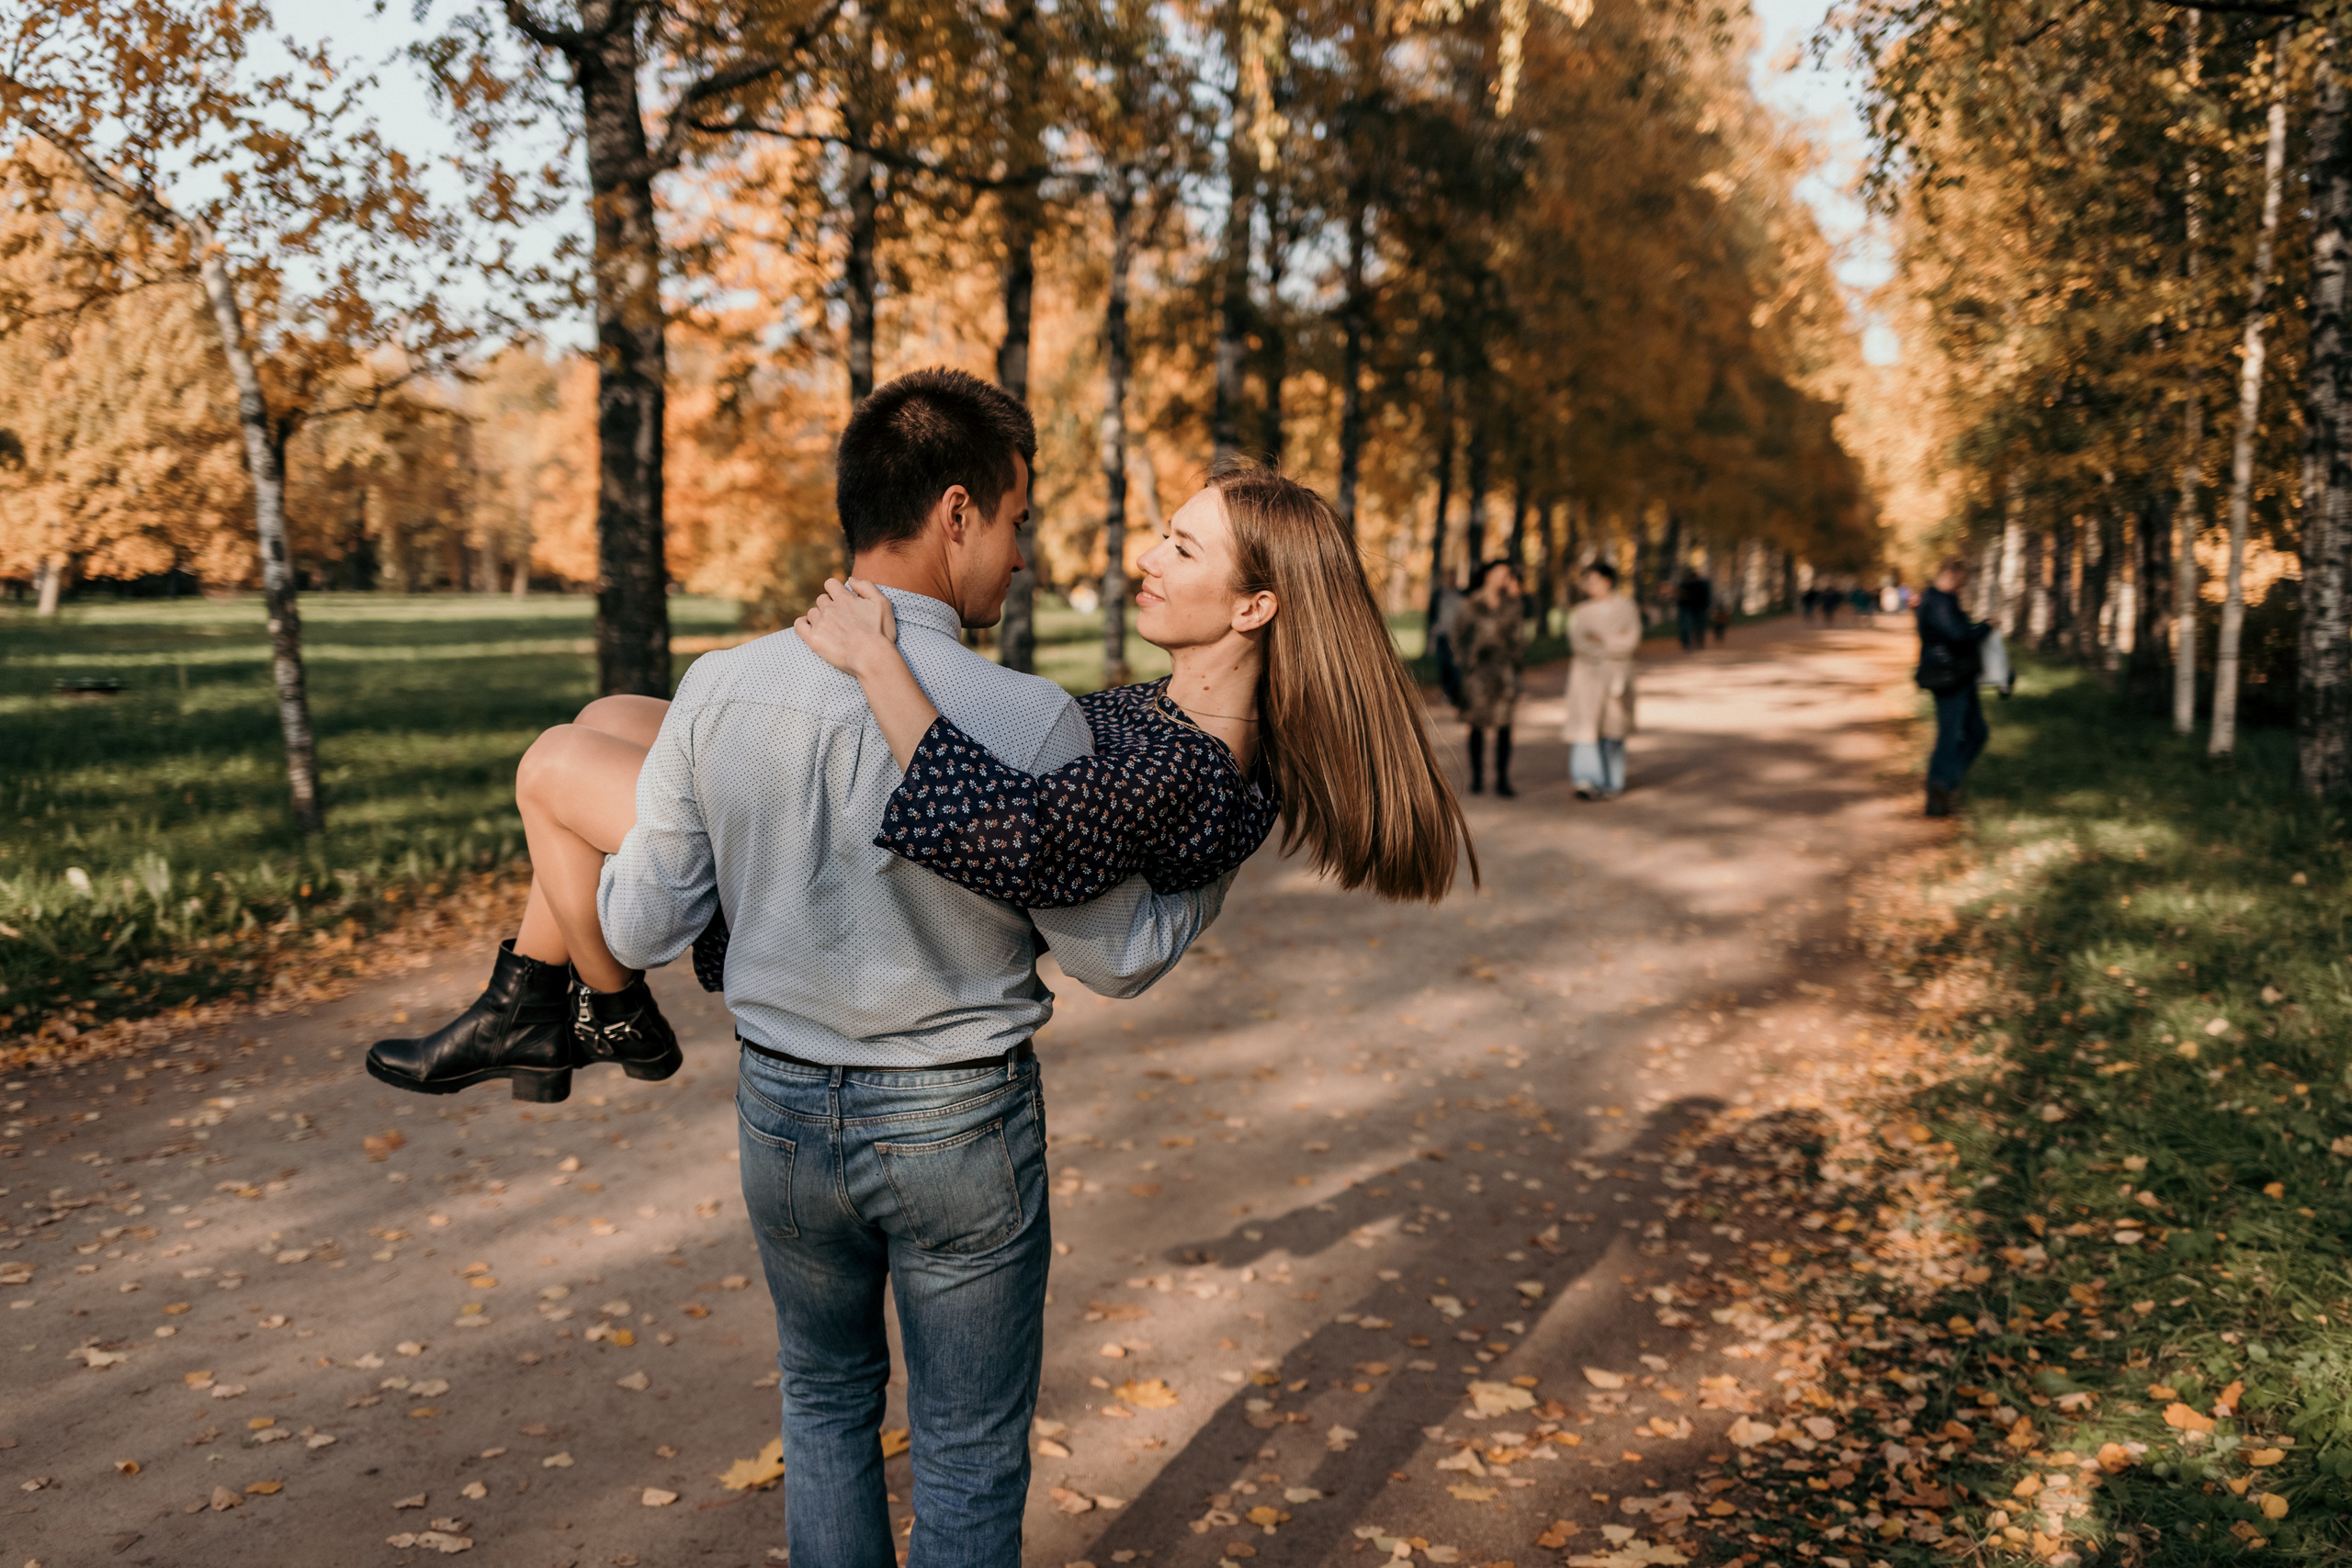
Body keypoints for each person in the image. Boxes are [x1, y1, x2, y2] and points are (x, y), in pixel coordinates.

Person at [1916, 556, 1993, 818]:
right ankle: (1940, 787)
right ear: (1952, 574)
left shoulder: (1941, 600)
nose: (1963, 585)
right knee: (1951, 736)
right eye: (1962, 580)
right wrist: (1984, 627)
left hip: (1958, 676)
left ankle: (1942, 784)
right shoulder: (1938, 601)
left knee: (1976, 733)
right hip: (1949, 678)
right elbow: (1958, 635)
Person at [1565, 560, 1641, 799]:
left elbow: (1631, 640)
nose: (1589, 585)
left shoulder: (1626, 607)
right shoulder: (1582, 611)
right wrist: (1609, 644)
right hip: (1587, 676)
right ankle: (1586, 780)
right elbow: (1578, 642)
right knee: (1586, 728)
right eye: (1587, 581)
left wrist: (1602, 641)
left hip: (1617, 675)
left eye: (1594, 581)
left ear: (1607, 581)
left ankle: (1611, 782)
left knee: (1613, 728)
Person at [1451, 560, 1525, 796]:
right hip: (1478, 675)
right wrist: (1466, 661)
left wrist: (1513, 659)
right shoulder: (1471, 604)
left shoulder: (1512, 605)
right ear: (1489, 575)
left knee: (1504, 725)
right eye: (1501, 573)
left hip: (1503, 673)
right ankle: (1477, 777)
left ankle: (1502, 778)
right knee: (1477, 725)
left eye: (1508, 574)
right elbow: (1457, 636)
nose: (1505, 577)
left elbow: (1519, 638)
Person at [1430, 567, 1468, 708]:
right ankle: (1447, 692)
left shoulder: (1461, 595)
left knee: (1455, 666)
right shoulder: (1439, 595)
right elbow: (1432, 615)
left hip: (1457, 636)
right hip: (1443, 635)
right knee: (1444, 665)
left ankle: (1455, 694)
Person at [1675, 570, 1712, 650]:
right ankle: (1689, 643)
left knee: (1698, 626)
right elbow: (1680, 598)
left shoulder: (1700, 585)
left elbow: (1705, 597)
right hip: (1690, 609)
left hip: (1698, 609)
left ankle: (1698, 642)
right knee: (1689, 626)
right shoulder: (1685, 585)